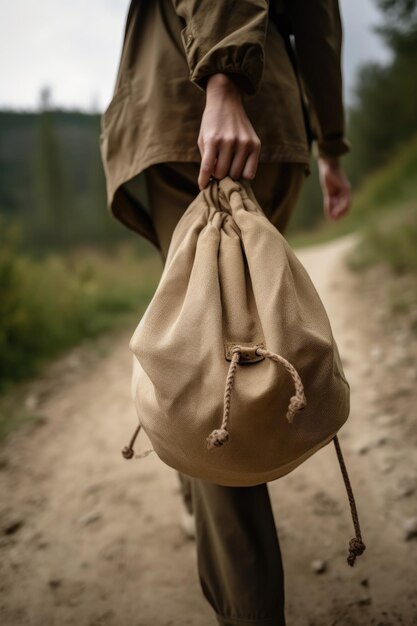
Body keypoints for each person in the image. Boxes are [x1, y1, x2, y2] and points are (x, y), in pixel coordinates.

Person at [100, 1, 352, 624]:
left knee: (208, 376)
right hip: (279, 127)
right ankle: (198, 482)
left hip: (199, 118)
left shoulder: (219, 88)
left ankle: (249, 610)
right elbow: (319, 18)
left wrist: (222, 80)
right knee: (229, 341)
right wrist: (331, 144)